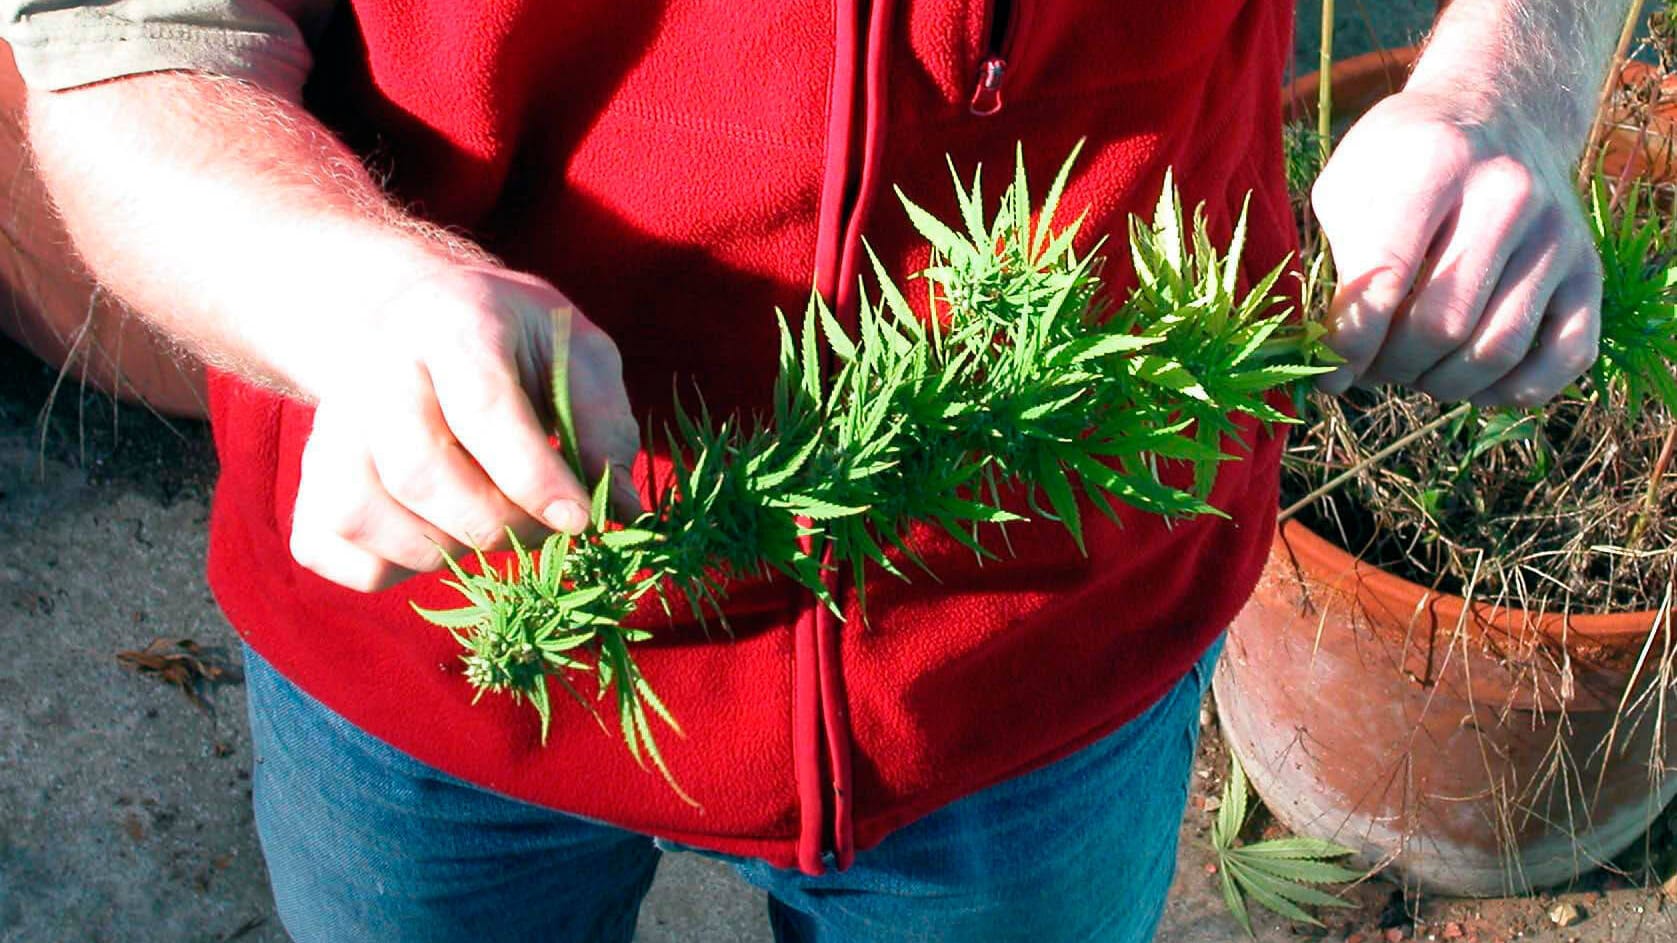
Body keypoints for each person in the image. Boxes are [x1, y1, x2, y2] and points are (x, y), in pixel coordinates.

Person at [2, 0, 1619, 939]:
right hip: (444, 628)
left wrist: (1501, 89)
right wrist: (334, 285)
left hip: (1043, 649)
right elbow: (116, 41)